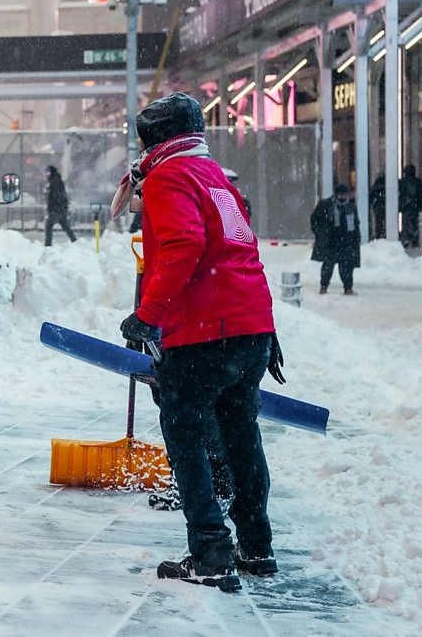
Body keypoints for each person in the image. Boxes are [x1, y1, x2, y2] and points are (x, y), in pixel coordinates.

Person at [114, 92, 283, 593]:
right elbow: (234, 247)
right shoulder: (214, 178)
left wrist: (148, 316)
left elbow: (186, 244)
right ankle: (256, 546)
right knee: (240, 435)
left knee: (185, 433)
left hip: (208, 332)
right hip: (252, 327)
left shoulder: (168, 177)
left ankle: (210, 550)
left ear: (155, 141)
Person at [311, 183, 362, 295]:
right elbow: (314, 219)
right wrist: (320, 233)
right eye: (341, 195)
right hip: (331, 241)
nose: (343, 197)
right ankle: (324, 286)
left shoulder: (350, 207)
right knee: (328, 266)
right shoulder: (326, 205)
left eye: (345, 195)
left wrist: (356, 239)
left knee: (347, 267)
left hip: (346, 242)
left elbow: (355, 225)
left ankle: (348, 287)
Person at [43, 165, 77, 245]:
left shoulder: (54, 182)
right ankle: (74, 241)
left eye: (48, 172)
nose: (46, 174)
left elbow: (55, 196)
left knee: (49, 225)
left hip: (57, 209)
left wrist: (52, 207)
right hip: (61, 208)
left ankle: (48, 245)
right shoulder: (57, 180)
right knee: (66, 227)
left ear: (51, 172)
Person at [398, 164, 422, 248]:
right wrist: (421, 204)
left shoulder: (402, 182)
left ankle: (406, 239)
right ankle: (414, 239)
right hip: (415, 207)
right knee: (414, 224)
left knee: (406, 223)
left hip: (406, 207)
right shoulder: (418, 182)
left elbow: (399, 194)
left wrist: (401, 205)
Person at [369, 172, 386, 239]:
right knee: (382, 220)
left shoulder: (376, 186)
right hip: (382, 206)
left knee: (378, 221)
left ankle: (379, 234)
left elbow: (371, 196)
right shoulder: (384, 186)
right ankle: (382, 233)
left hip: (378, 206)